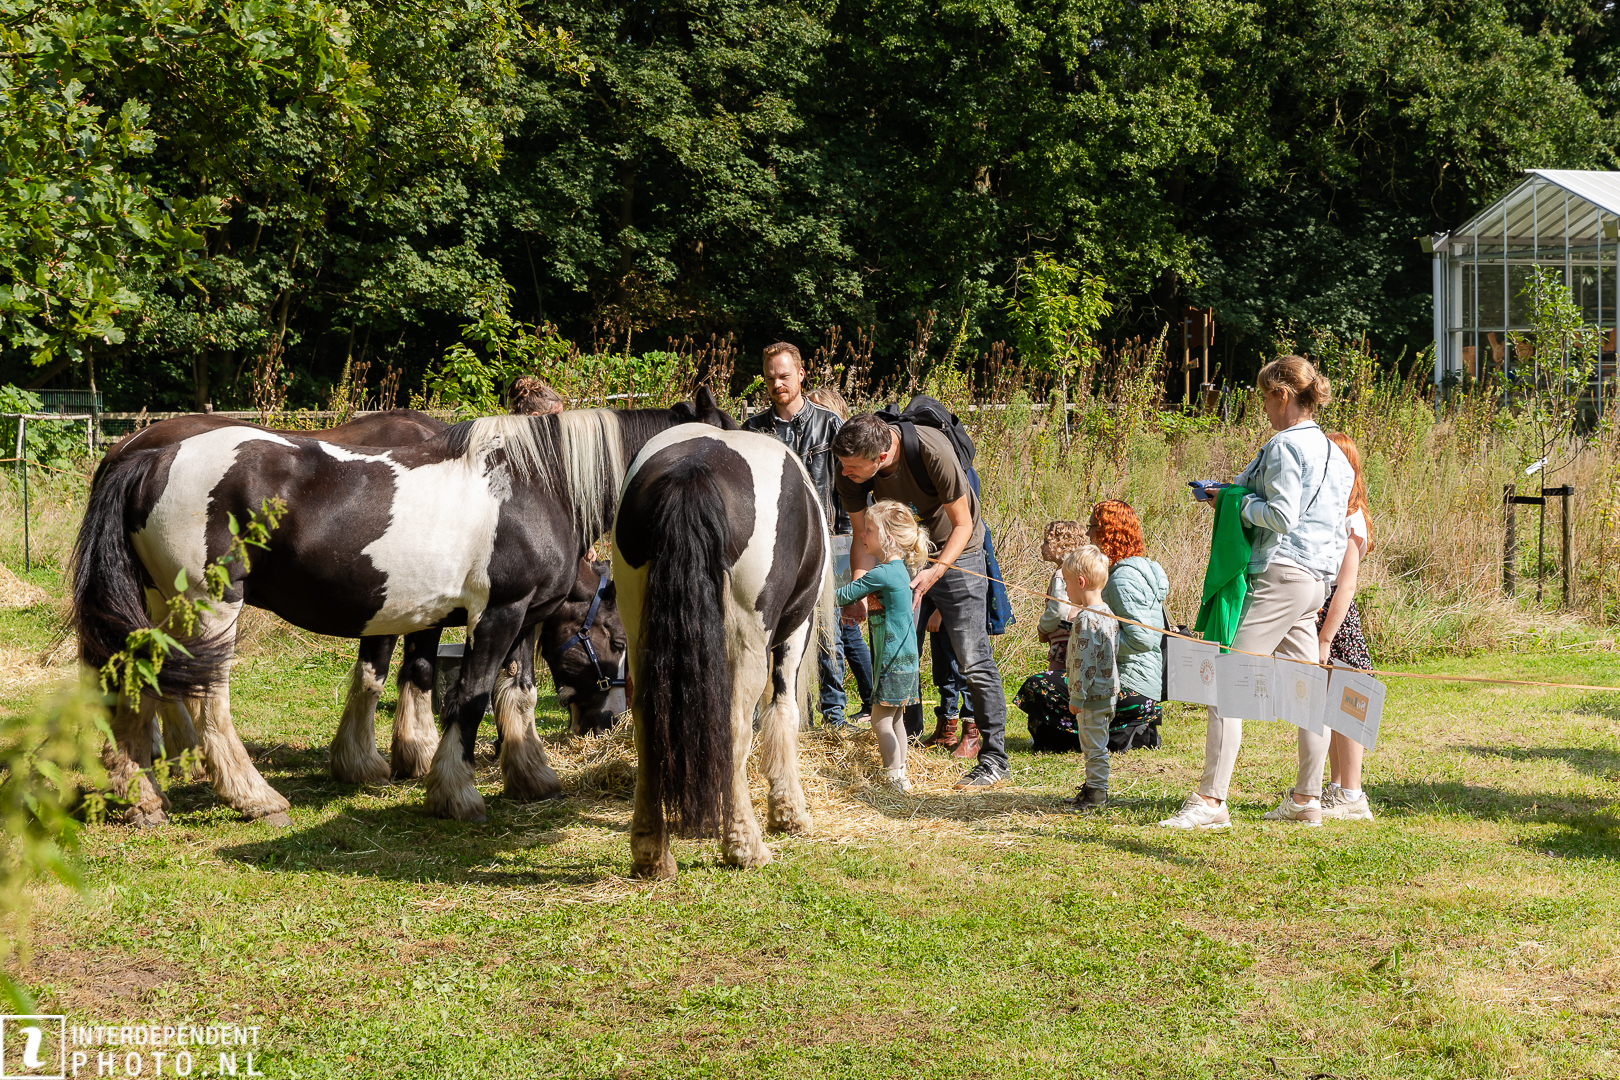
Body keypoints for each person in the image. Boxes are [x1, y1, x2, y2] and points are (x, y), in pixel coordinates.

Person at [1160, 355, 1353, 829]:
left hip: (1280, 575)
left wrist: (1234, 500)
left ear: (1282, 395)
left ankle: (1211, 801)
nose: (1263, 408)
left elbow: (1281, 516)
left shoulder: (1286, 446)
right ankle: (1307, 797)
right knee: (1308, 691)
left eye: (1265, 398)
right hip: (1316, 582)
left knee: (1228, 680)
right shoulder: (1338, 455)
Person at [833, 413, 1011, 788]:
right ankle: (907, 752)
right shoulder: (849, 467)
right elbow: (862, 535)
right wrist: (859, 590)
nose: (844, 473)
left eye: (852, 468)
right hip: (901, 556)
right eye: (843, 466)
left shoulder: (932, 451)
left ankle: (994, 758)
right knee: (898, 648)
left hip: (957, 552)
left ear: (881, 457)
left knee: (972, 655)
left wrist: (935, 572)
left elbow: (963, 523)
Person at [743, 345, 852, 727]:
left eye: (784, 376)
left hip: (825, 541)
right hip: (770, 549)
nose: (777, 384)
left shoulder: (829, 424)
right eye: (770, 377)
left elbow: (846, 487)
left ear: (801, 374)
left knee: (828, 631)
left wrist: (846, 541)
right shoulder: (752, 430)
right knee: (771, 630)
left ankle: (834, 715)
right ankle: (784, 711)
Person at [833, 500, 928, 792]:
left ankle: (893, 779)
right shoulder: (898, 570)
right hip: (905, 657)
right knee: (895, 719)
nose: (862, 535)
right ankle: (900, 776)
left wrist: (808, 591)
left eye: (869, 530)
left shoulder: (882, 573)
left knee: (879, 722)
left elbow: (842, 595)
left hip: (891, 659)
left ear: (887, 538)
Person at [805, 386, 875, 724]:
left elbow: (847, 505)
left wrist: (847, 546)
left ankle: (863, 701)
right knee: (846, 630)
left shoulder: (842, 455)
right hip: (834, 542)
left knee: (842, 628)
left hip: (841, 544)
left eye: (817, 409)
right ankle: (869, 698)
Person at [1316, 432, 1376, 821]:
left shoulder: (1353, 519)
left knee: (1348, 704)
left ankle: (1353, 794)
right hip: (1324, 615)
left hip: (1338, 620)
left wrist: (1326, 637)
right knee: (1330, 708)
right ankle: (1338, 787)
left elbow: (1347, 585)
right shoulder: (1333, 512)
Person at [1091, 500, 1169, 752]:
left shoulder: (1122, 579)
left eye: (1092, 527)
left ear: (1107, 533)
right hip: (1142, 685)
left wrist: (1096, 643)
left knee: (1039, 687)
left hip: (1131, 684)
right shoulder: (1133, 571)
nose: (1088, 534)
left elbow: (1142, 638)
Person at [1063, 544, 1118, 813]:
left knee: (1094, 748)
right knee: (1095, 744)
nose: (1065, 590)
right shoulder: (1107, 612)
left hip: (1092, 697)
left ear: (1081, 582)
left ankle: (1097, 794)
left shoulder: (1086, 619)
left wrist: (1077, 695)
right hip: (1106, 693)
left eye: (1066, 583)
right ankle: (1092, 787)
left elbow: (1085, 662)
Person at [1038, 521, 1086, 671]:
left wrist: (1043, 628)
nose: (1042, 547)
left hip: (1064, 641)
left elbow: (1059, 610)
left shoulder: (1062, 574)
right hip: (1080, 636)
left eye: (1047, 542)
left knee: (1056, 678)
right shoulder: (1082, 571)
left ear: (1062, 546)